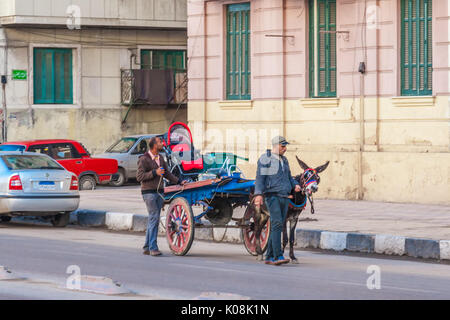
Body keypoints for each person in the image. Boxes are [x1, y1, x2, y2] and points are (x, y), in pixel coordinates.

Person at [254, 136, 301, 265]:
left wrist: (295, 184)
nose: (285, 149)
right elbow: (260, 178)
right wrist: (258, 194)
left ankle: (269, 256)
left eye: (285, 146)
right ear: (275, 146)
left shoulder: (284, 160)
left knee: (277, 224)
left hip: (285, 197)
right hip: (272, 196)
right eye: (282, 146)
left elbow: (289, 177)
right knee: (277, 225)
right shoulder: (265, 159)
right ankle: (278, 256)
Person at [136, 136, 185, 256]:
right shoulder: (144, 159)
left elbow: (167, 173)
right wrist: (154, 172)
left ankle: (147, 247)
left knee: (153, 219)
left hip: (159, 192)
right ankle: (153, 248)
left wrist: (178, 181)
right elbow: (139, 177)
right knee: (154, 218)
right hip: (149, 193)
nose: (162, 144)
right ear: (153, 146)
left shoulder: (161, 158)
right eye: (159, 142)